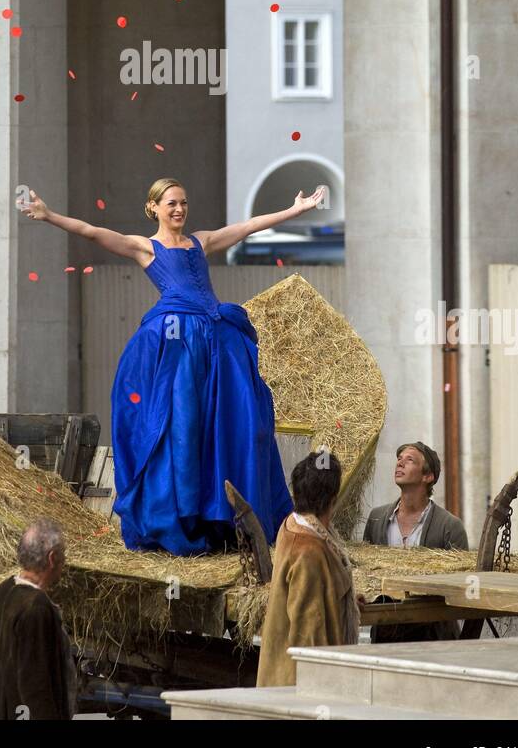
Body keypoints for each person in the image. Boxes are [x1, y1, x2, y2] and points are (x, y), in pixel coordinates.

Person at [20, 177, 324, 556]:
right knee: (184, 427)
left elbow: (247, 227)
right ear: (154, 208)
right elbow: (92, 231)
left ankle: (233, 518)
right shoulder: (145, 248)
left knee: (240, 421)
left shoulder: (201, 241)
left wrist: (295, 210)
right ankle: (187, 518)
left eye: (182, 202)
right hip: (180, 343)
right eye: (170, 204)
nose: (179, 209)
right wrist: (48, 215)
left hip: (217, 338)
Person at [257, 451, 361, 687]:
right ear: (333, 499)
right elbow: (307, 632)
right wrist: (318, 691)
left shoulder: (293, 525)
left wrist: (342, 601)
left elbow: (318, 593)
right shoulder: (307, 550)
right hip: (297, 683)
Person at [0, 519, 76, 721]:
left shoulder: (2, 591)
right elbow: (35, 684)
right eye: (63, 556)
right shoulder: (36, 607)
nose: (64, 563)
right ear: (52, 558)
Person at [362, 442, 469, 643]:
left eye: (409, 460)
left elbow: (460, 588)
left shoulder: (449, 526)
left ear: (428, 477)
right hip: (385, 636)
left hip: (433, 637)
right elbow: (366, 576)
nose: (400, 463)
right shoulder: (376, 518)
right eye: (399, 458)